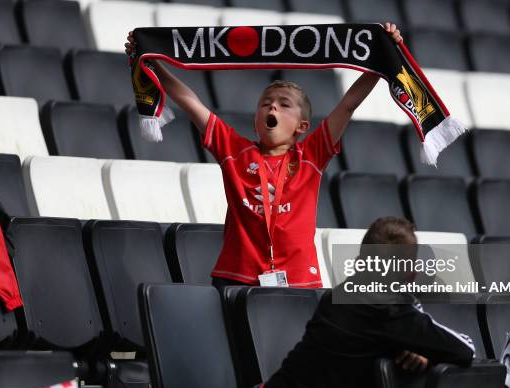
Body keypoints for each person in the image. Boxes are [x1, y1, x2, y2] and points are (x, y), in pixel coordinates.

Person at [125, 23, 403, 289]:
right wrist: (152, 61)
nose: (273, 108)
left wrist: (382, 58)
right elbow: (190, 101)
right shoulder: (233, 150)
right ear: (256, 120)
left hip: (298, 281)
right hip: (235, 277)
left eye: (284, 105)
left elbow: (348, 105)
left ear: (302, 127)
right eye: (265, 104)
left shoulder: (312, 155)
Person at [240, 217, 476, 388]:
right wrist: (427, 349)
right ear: (411, 273)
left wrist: (418, 348)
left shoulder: (336, 295)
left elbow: (368, 341)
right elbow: (466, 349)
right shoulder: (392, 311)